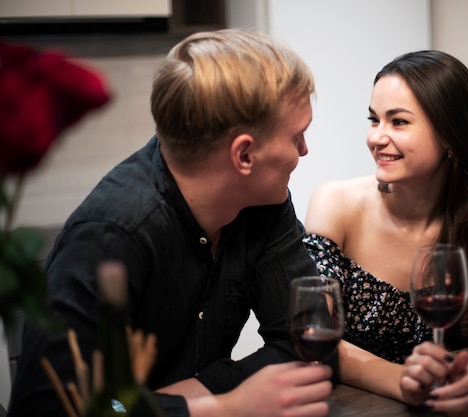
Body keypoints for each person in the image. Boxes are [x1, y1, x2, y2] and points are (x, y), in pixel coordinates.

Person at [9, 29, 334, 417]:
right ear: (244, 155)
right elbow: (49, 407)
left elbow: (310, 347)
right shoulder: (112, 235)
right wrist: (223, 407)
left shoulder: (263, 200)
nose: (304, 150)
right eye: (297, 135)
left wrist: (191, 393)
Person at [303, 50, 468, 417]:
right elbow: (316, 335)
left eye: (399, 122)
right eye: (374, 119)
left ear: (450, 137)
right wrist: (402, 380)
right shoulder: (335, 203)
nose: (377, 137)